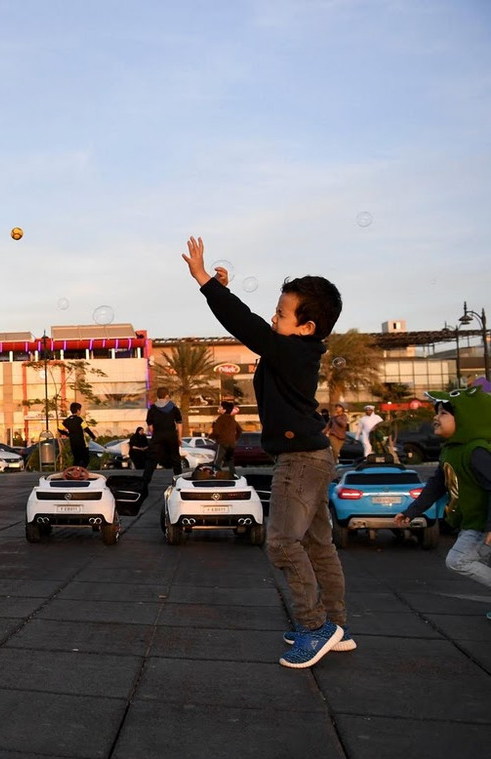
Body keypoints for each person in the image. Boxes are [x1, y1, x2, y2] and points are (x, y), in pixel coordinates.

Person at [184, 235, 349, 668]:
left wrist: (206, 282)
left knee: (280, 544)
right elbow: (255, 323)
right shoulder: (298, 350)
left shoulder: (293, 351)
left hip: (300, 461)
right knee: (318, 543)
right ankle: (335, 626)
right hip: (312, 455)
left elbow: (246, 324)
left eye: (282, 314)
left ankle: (315, 628)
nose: (273, 319)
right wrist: (222, 287)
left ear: (307, 327)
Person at [394, 388, 491, 618]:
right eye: (436, 412)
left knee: (458, 560)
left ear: (465, 419)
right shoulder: (450, 451)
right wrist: (411, 512)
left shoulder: (477, 452)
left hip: (481, 524)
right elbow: (436, 485)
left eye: (443, 413)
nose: (435, 418)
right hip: (473, 522)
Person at [141, 387, 183, 489]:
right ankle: (179, 480)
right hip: (171, 435)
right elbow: (179, 424)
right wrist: (179, 438)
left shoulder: (152, 408)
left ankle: (145, 481)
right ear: (167, 395)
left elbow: (150, 426)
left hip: (158, 435)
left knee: (152, 460)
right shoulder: (173, 407)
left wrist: (156, 435)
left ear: (158, 396)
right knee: (176, 458)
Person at [211, 400, 243, 473]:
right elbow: (240, 430)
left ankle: (214, 474)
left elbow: (216, 431)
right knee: (230, 460)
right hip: (231, 444)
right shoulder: (232, 419)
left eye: (220, 407)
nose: (219, 408)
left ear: (224, 410)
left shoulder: (221, 418)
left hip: (222, 442)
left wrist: (213, 436)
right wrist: (235, 439)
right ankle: (233, 475)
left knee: (217, 460)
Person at [62, 402, 91, 468]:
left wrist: (68, 434)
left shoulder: (67, 420)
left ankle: (75, 472)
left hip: (73, 443)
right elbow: (86, 429)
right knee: (86, 459)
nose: (80, 411)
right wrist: (93, 436)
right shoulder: (80, 419)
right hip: (82, 443)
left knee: (76, 459)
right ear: (78, 410)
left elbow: (59, 429)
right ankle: (79, 471)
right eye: (80, 410)